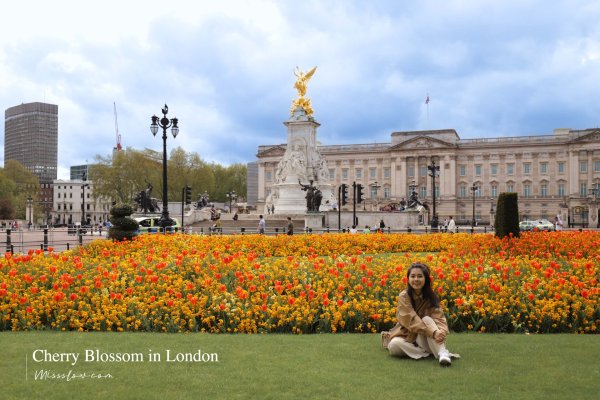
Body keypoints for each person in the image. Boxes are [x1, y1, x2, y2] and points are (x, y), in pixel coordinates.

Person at [381, 263, 459, 366]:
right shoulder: (404, 296)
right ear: (408, 279)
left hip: (426, 336)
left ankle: (442, 352)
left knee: (426, 319)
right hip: (408, 334)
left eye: (420, 276)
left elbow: (439, 318)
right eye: (413, 276)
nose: (416, 279)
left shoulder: (431, 296)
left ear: (426, 279)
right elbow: (411, 319)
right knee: (394, 345)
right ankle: (429, 352)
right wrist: (433, 332)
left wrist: (441, 333)